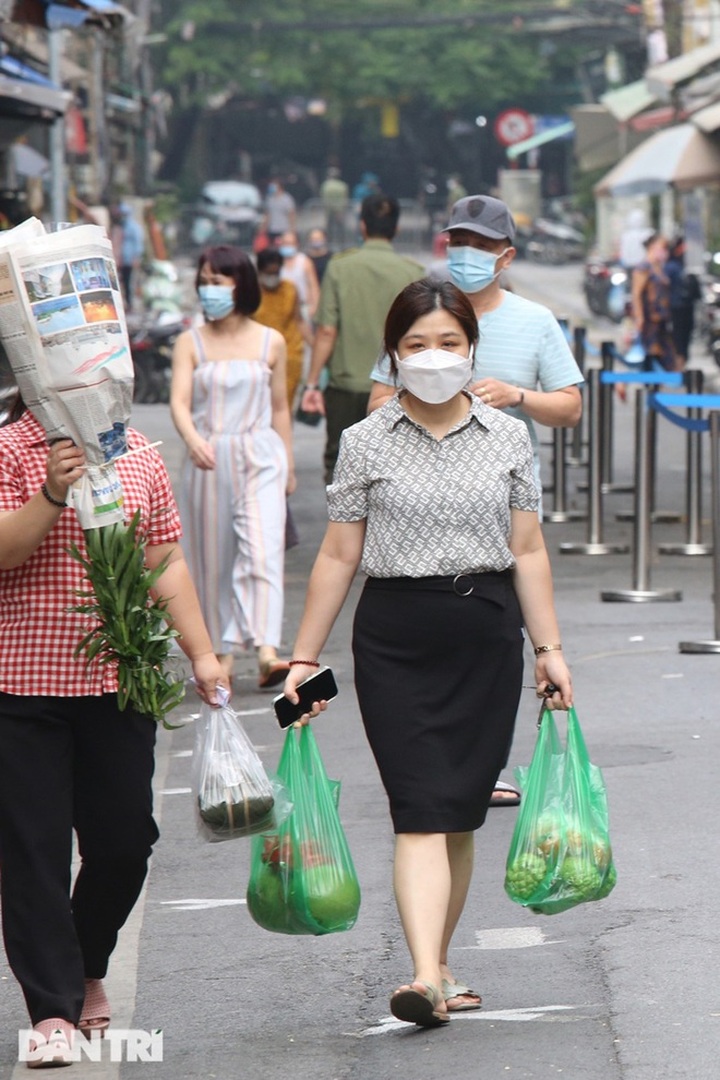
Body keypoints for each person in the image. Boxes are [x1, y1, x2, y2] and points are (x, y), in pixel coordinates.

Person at [282, 278, 573, 1028]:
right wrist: (301, 659)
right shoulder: (365, 440)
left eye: (448, 343)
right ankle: (421, 976)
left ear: (472, 347)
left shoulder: (506, 436)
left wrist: (550, 649)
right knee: (418, 808)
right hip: (393, 639)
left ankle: (439, 964)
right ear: (394, 352)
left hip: (484, 634)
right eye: (416, 345)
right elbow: (339, 556)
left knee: (461, 812)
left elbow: (529, 549)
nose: (433, 357)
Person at [0, 392, 229, 1063]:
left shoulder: (140, 453)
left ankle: (85, 962)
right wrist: (50, 490)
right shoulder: (10, 448)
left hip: (118, 681)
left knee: (126, 842)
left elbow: (164, 560)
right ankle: (52, 1013)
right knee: (32, 852)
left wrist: (203, 653)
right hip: (22, 680)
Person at [368, 194, 582, 808]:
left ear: (506, 256)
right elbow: (377, 404)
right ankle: (431, 757)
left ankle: (482, 758)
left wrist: (516, 397)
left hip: (503, 503)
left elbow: (569, 405)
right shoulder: (423, 316)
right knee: (432, 623)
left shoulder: (535, 321)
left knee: (501, 626)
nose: (468, 255)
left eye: (483, 246)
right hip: (418, 504)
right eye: (459, 242)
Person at [170, 244, 296, 689]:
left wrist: (288, 461)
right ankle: (220, 653)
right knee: (212, 559)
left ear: (240, 284)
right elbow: (179, 402)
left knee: (262, 549)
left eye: (218, 281)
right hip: (209, 457)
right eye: (204, 281)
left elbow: (280, 407)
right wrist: (192, 439)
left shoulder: (270, 341)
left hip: (261, 453)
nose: (209, 289)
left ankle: (266, 648)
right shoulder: (191, 342)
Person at [299, 194, 424, 483]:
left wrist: (312, 382)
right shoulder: (413, 273)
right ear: (396, 229)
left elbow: (327, 330)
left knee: (342, 466)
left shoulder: (340, 267)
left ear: (362, 226)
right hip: (396, 390)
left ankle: (344, 526)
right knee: (393, 468)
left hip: (346, 387)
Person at [255, 247, 310, 410]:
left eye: (276, 273)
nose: (272, 277)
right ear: (259, 271)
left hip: (289, 356)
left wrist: (316, 347)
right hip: (258, 357)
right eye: (268, 273)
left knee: (284, 406)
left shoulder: (290, 289)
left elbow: (299, 320)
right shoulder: (251, 293)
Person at [631, 232, 677, 372]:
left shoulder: (659, 268)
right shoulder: (643, 268)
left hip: (661, 321)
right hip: (649, 321)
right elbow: (636, 294)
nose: (665, 252)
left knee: (665, 358)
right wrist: (639, 317)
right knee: (649, 355)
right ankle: (624, 383)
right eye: (663, 247)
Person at [665, 235, 701, 369]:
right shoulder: (671, 266)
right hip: (676, 307)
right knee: (678, 337)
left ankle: (682, 361)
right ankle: (678, 364)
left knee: (686, 335)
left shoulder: (686, 265)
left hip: (687, 307)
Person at [278, 229, 320, 321]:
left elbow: (314, 286)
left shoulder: (304, 261)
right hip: (282, 307)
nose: (287, 246)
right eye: (285, 243)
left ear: (296, 244)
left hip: (303, 306)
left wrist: (314, 307)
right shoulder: (276, 262)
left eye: (290, 243)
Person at [111, 201, 145, 311]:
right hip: (120, 260)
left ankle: (130, 305)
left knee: (129, 283)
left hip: (130, 260)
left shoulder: (134, 227)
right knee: (120, 283)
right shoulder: (120, 227)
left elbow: (138, 244)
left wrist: (136, 258)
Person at [319, 166, 349, 248]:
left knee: (329, 228)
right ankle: (342, 244)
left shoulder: (325, 185)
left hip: (328, 209)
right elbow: (345, 197)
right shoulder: (342, 185)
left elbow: (322, 196)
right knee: (340, 229)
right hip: (340, 210)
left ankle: (328, 243)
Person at [262, 179, 296, 243]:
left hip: (284, 228)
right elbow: (267, 214)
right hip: (272, 229)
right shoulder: (269, 199)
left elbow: (291, 214)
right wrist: (263, 228)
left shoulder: (287, 199)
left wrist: (292, 229)